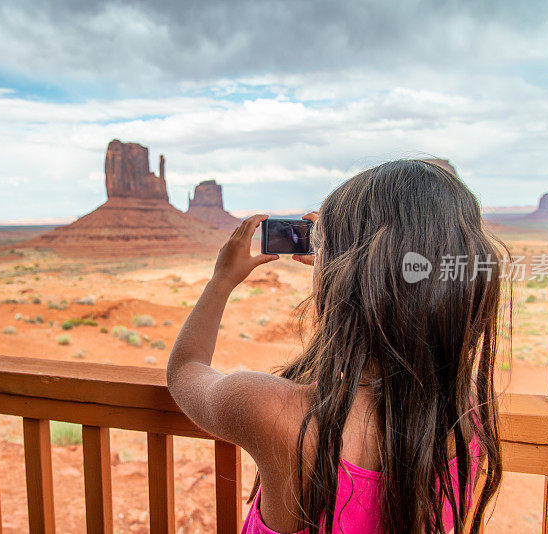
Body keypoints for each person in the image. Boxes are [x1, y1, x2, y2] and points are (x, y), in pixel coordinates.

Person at [167, 160, 505, 533]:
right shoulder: (465, 408)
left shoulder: (276, 413)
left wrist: (222, 280)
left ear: (342, 281)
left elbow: (186, 370)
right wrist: (342, 253)